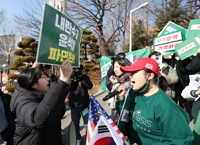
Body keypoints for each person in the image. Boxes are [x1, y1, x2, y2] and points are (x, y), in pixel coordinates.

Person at [115, 58, 194, 145]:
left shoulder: (166, 107)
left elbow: (179, 142)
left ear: (150, 76)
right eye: (130, 72)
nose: (130, 76)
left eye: (134, 72)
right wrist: (121, 99)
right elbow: (125, 117)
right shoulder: (133, 93)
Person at [10, 59, 72, 145]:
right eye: (43, 77)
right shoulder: (22, 100)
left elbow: (58, 111)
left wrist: (50, 75)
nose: (48, 80)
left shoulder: (41, 94)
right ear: (34, 84)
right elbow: (38, 119)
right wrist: (63, 79)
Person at [68, 64, 93, 145]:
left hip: (84, 105)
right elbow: (68, 87)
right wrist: (72, 77)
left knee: (87, 124)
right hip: (74, 105)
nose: (77, 71)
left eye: (78, 69)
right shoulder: (70, 77)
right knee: (75, 124)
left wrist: (81, 78)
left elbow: (89, 86)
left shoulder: (85, 77)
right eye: (75, 69)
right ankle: (78, 138)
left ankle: (89, 138)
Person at [106, 56, 131, 121]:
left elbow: (125, 95)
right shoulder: (119, 79)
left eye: (117, 67)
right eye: (114, 67)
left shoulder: (130, 79)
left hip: (125, 114)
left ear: (125, 65)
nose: (115, 69)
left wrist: (116, 84)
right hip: (117, 111)